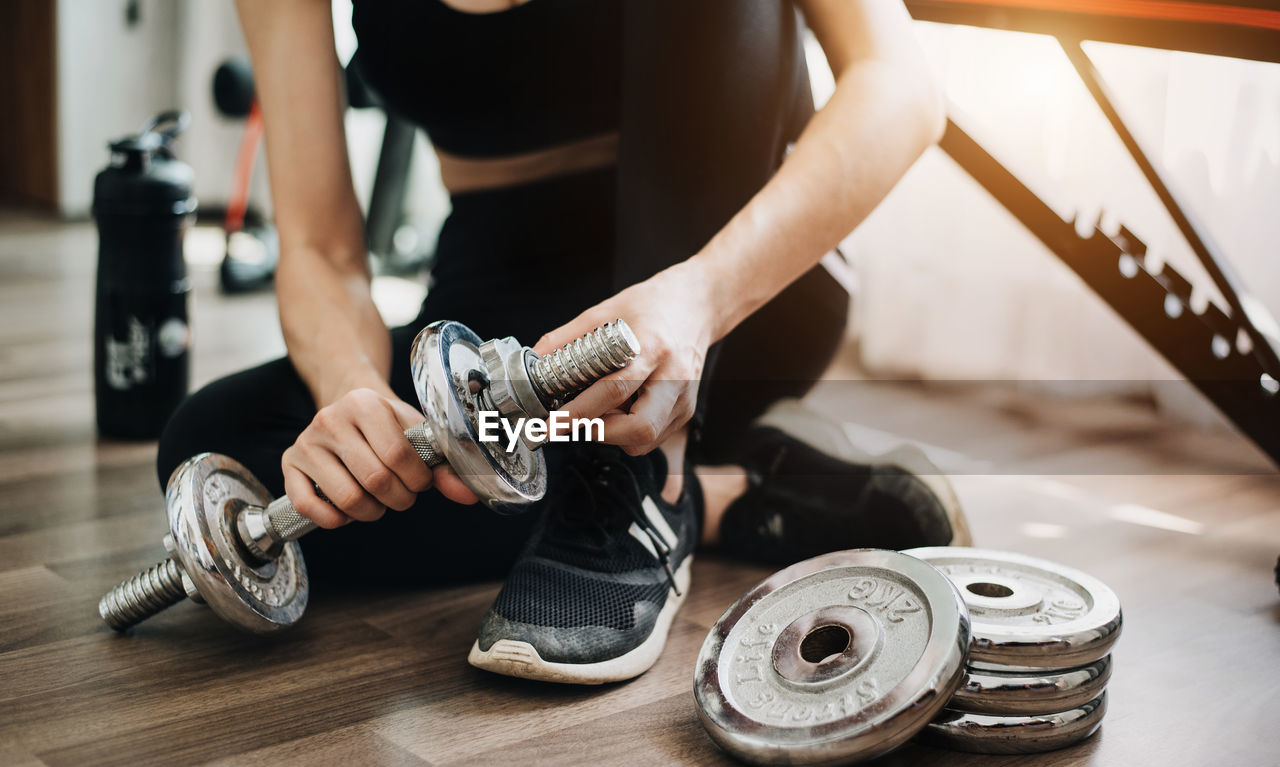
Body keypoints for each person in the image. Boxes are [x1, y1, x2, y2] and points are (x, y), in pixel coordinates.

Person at [158, 0, 969, 684]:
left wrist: (700, 296)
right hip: (511, 312)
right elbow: (321, 249)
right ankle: (731, 494)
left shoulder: (715, 287)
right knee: (231, 453)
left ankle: (647, 476)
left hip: (733, 284)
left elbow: (902, 88)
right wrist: (354, 398)